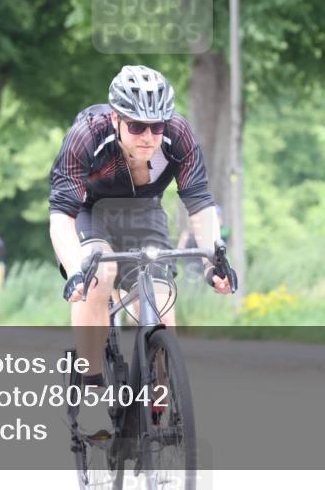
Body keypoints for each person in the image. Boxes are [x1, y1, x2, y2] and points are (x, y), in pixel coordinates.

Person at [49, 65, 235, 411]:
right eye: (136, 126)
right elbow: (61, 215)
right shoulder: (87, 135)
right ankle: (91, 388)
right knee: (98, 276)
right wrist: (76, 269)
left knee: (162, 300)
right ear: (116, 118)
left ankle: (159, 403)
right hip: (92, 210)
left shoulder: (178, 135)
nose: (148, 136)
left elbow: (200, 204)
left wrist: (214, 261)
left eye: (156, 126)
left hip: (144, 211)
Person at [177, 204, 229, 277]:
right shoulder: (188, 233)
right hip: (190, 266)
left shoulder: (220, 232)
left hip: (206, 267)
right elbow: (180, 249)